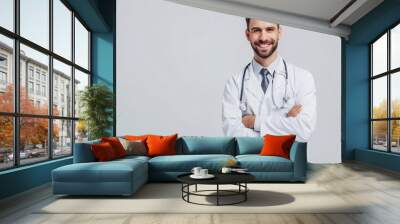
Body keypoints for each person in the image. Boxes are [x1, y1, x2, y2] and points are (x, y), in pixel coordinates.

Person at [222, 18, 317, 142]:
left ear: (279, 33)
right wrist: (285, 118)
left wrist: (254, 122)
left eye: (269, 29)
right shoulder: (234, 84)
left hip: (288, 161)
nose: (263, 37)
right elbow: (233, 134)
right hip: (249, 161)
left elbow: (303, 130)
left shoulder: (302, 78)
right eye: (256, 30)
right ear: (248, 35)